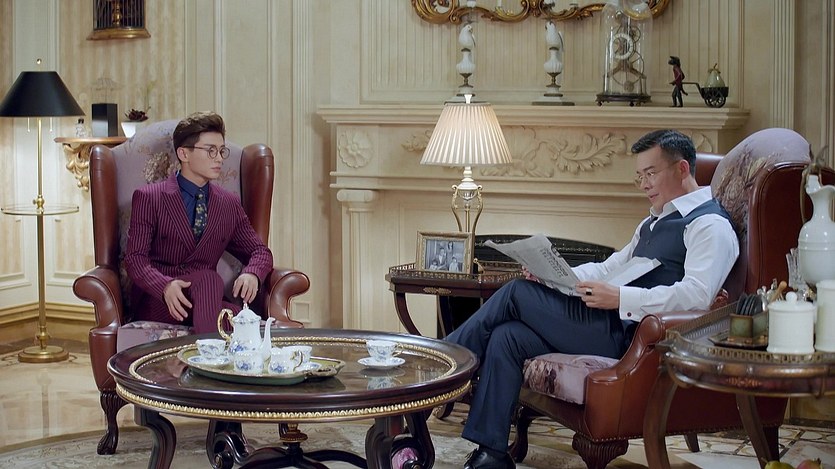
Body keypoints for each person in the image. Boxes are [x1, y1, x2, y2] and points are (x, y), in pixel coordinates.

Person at [446, 129, 739, 469]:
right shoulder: (653, 222)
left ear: (682, 168)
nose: (643, 184)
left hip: (634, 341)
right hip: (604, 324)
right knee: (507, 336)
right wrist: (552, 274)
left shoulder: (710, 225)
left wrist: (621, 297)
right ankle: (492, 454)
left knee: (515, 293)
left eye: (650, 173)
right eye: (639, 176)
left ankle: (439, 370)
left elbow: (697, 296)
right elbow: (608, 267)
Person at [125, 111, 274, 334]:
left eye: (221, 151)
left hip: (206, 297)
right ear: (184, 153)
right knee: (237, 315)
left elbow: (260, 251)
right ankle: (213, 350)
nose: (219, 158)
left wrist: (252, 272)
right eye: (210, 150)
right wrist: (164, 286)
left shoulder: (228, 204)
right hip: (161, 299)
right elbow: (135, 259)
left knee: (233, 310)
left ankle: (205, 352)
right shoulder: (150, 198)